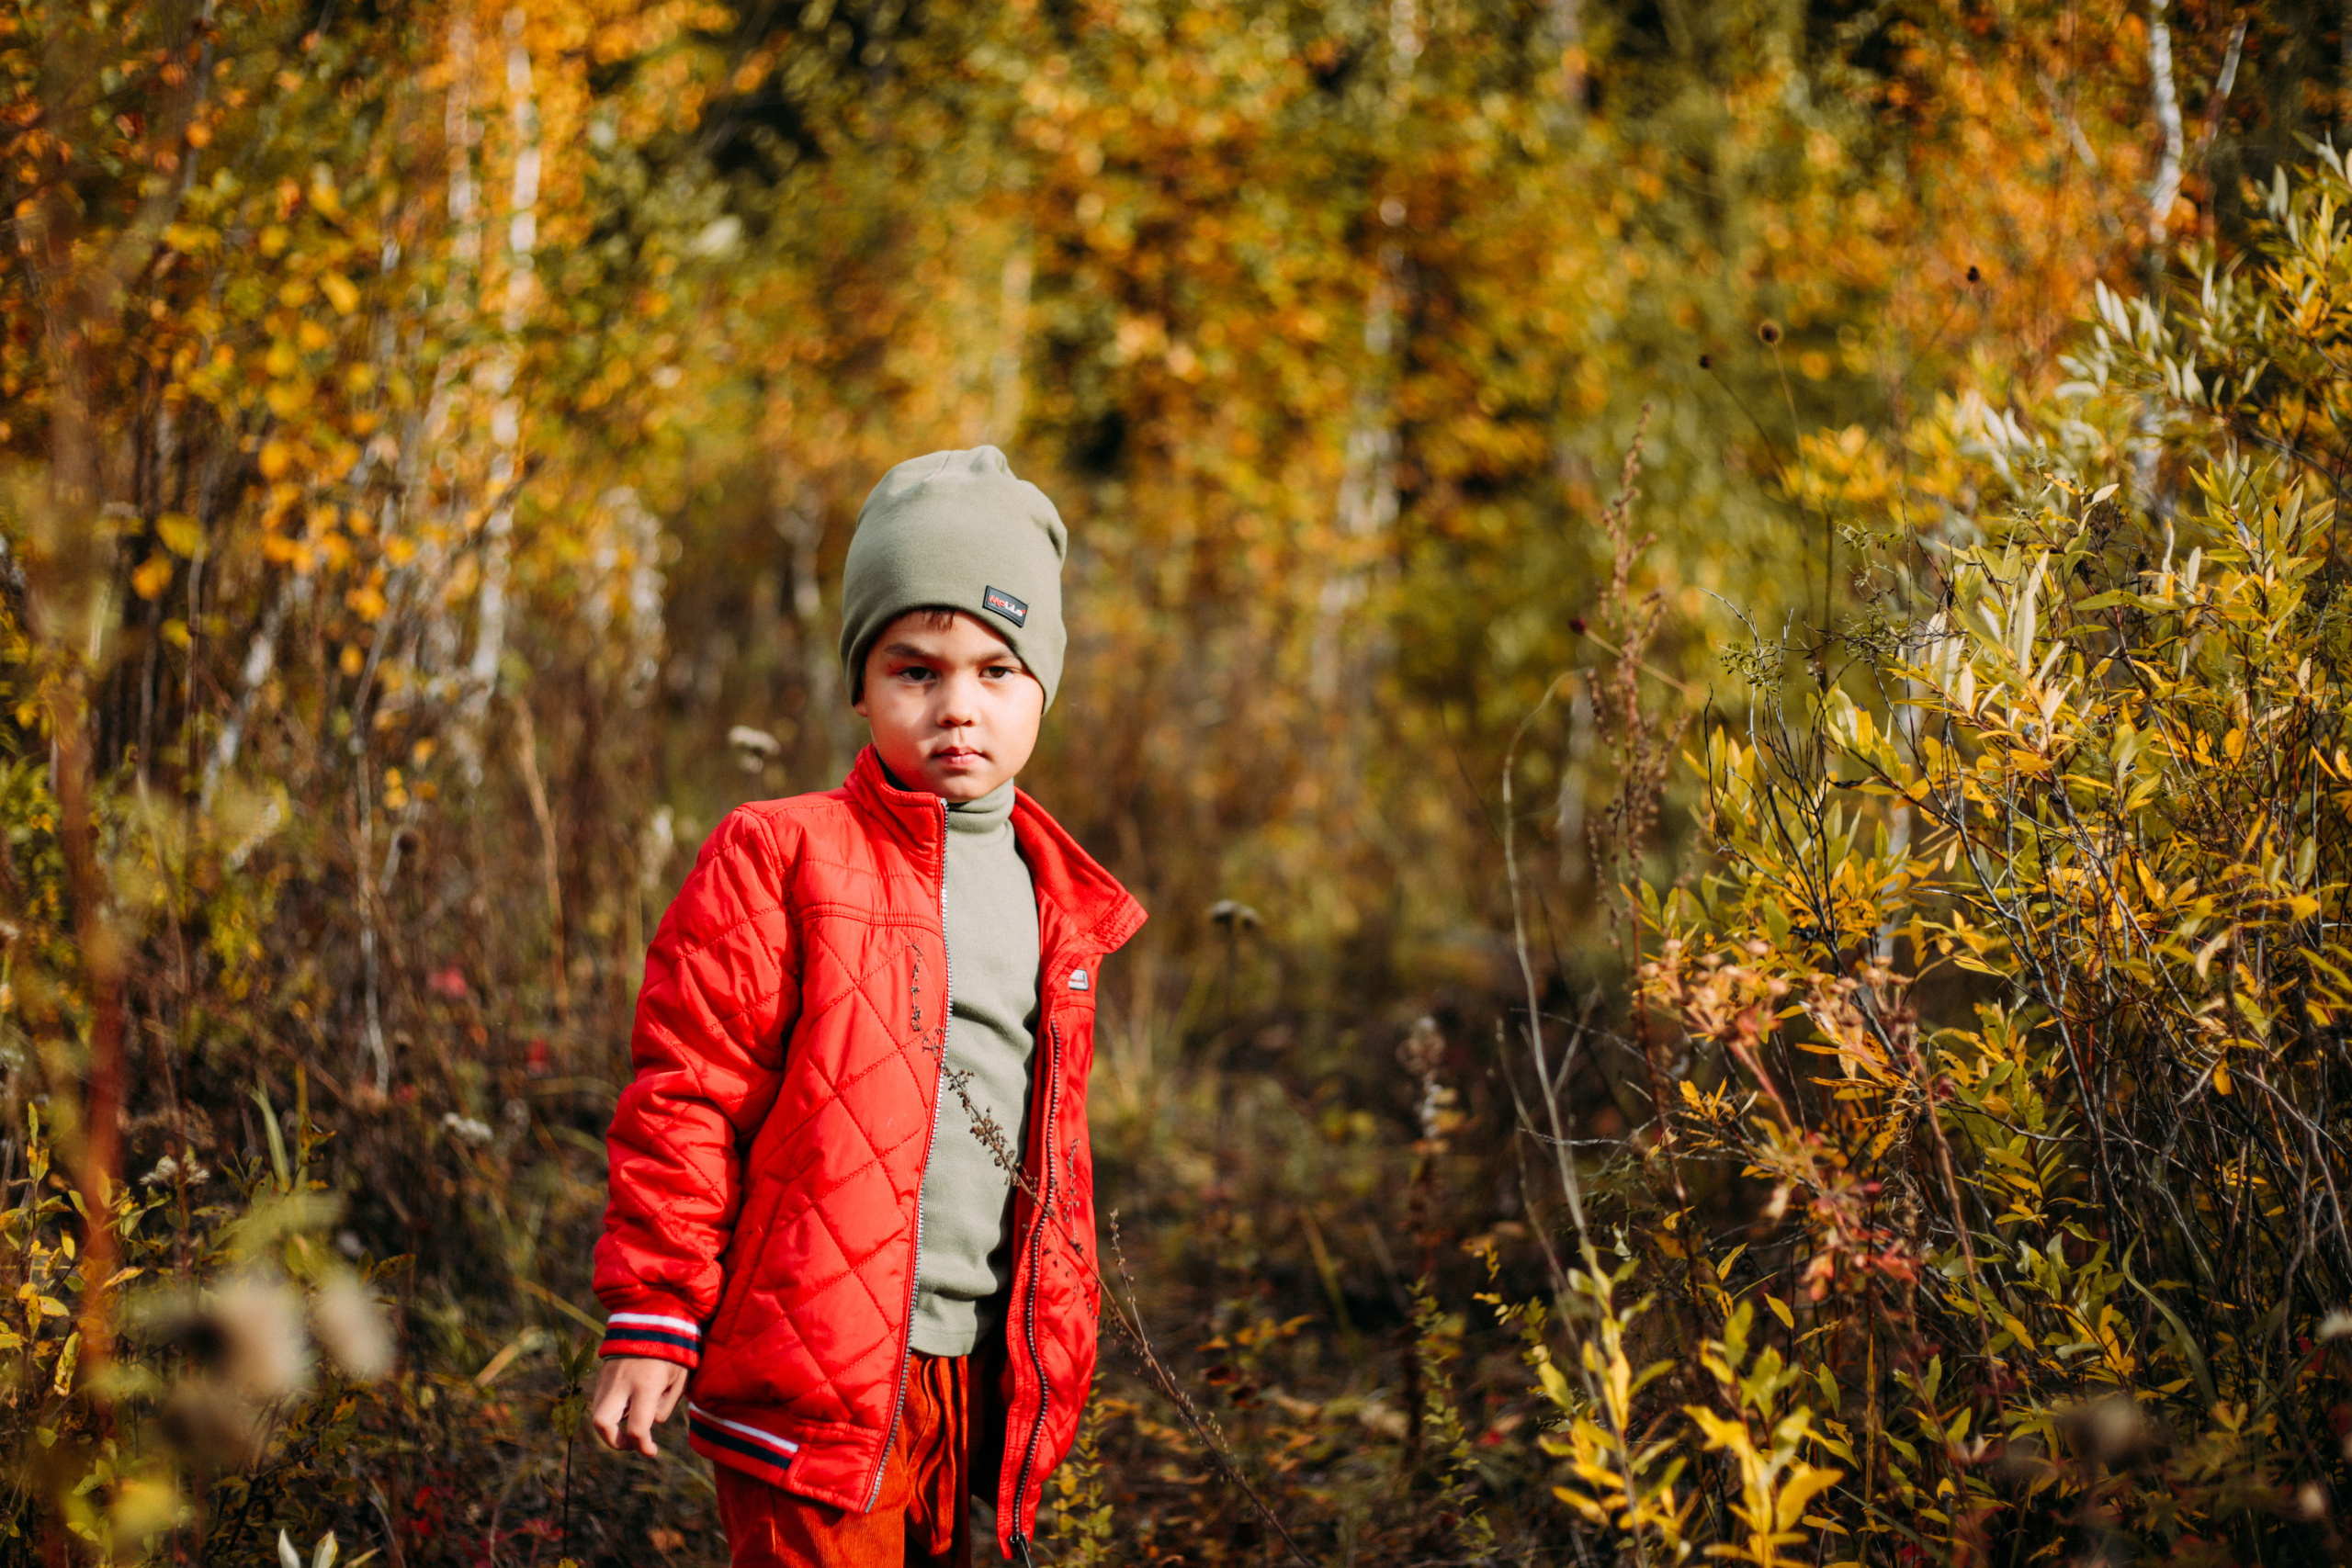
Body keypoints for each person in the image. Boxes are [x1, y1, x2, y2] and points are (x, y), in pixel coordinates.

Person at [584, 447, 1146, 1566]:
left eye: (996, 671)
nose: (957, 709)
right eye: (915, 670)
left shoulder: (1059, 892)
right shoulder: (782, 853)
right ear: (859, 682)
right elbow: (689, 1093)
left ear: (1044, 684)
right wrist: (653, 1314)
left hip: (976, 1367)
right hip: (810, 1361)